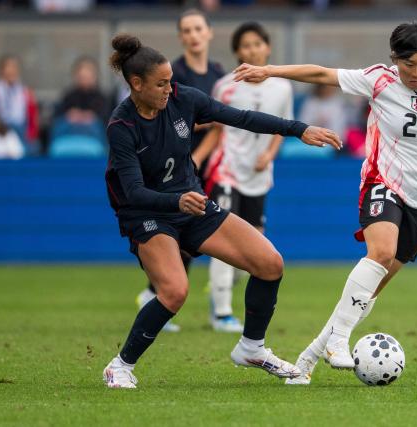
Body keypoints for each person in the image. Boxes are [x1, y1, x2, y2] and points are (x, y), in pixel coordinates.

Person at [234, 22, 417, 385]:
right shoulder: (378, 78)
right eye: (407, 65)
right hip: (383, 181)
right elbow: (321, 73)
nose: (416, 74)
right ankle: (338, 340)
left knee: (368, 291)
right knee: (379, 254)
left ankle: (307, 359)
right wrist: (269, 70)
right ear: (394, 60)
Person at [101, 34, 341, 389]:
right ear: (136, 84)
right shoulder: (122, 127)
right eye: (161, 84)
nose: (170, 89)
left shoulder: (184, 99)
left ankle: (252, 348)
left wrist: (299, 129)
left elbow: (242, 117)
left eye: (170, 81)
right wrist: (176, 201)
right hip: (146, 214)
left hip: (192, 204)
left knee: (270, 263)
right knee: (174, 292)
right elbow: (134, 192)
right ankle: (120, 366)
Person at [187, 22, 294, 333]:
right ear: (237, 53)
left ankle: (219, 291)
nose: (252, 50)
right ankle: (221, 311)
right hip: (227, 171)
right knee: (224, 240)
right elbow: (217, 128)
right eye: (245, 46)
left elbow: (282, 126)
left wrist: (269, 155)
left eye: (257, 44)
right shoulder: (226, 86)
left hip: (259, 176)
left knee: (252, 251)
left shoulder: (282, 86)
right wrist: (198, 158)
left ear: (268, 47)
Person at [135, 8, 226, 333]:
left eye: (198, 28)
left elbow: (219, 122)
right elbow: (175, 123)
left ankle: (214, 301)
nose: (193, 35)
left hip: (209, 162)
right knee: (183, 232)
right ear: (180, 37)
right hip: (176, 167)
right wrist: (195, 157)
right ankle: (161, 294)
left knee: (216, 233)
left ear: (209, 32)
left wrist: (202, 155)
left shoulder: (218, 74)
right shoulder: (173, 75)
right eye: (186, 30)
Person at [0, 55, 39, 153]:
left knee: (32, 147)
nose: (11, 71)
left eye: (14, 67)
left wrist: (31, 135)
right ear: (1, 70)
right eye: (8, 67)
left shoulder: (25, 92)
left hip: (20, 129)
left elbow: (33, 118)